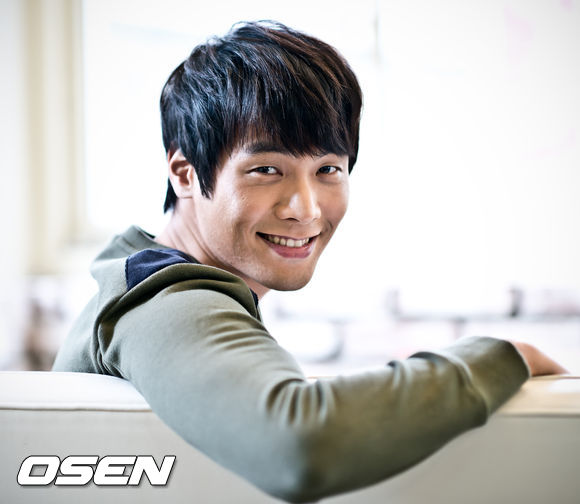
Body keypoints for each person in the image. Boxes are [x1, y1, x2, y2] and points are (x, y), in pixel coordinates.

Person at [52, 20, 566, 503]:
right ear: (185, 174)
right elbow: (300, 443)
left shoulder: (140, 276)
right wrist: (505, 357)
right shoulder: (164, 301)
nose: (307, 209)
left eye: (327, 169)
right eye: (266, 169)